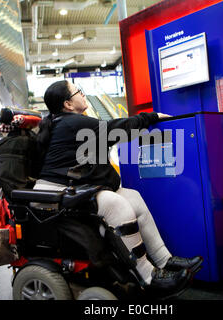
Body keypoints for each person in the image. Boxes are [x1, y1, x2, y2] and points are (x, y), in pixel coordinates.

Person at [35, 80, 202, 295]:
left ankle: (164, 260)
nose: (84, 95)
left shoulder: (67, 122)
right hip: (52, 192)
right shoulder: (72, 123)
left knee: (132, 197)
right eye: (79, 92)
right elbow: (116, 129)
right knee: (115, 204)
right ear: (68, 104)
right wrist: (151, 117)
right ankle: (149, 277)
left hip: (71, 189)